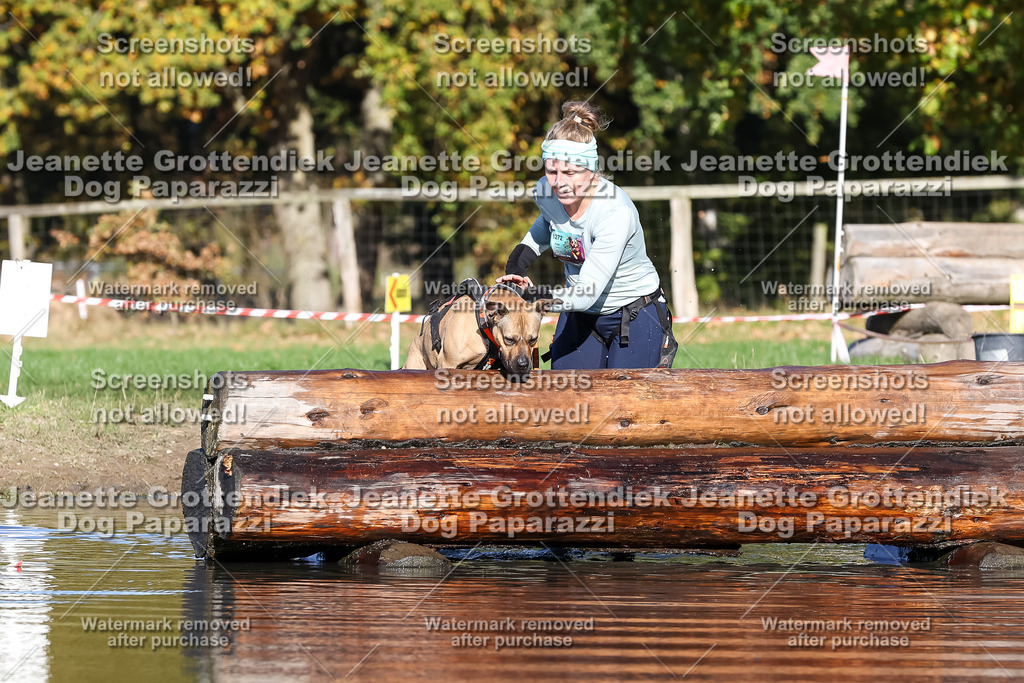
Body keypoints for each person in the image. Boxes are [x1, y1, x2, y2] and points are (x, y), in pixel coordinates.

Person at [497, 101, 677, 370]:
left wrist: (531, 295)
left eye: (570, 172)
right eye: (552, 170)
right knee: (569, 401)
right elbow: (546, 228)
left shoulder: (614, 211)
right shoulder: (546, 190)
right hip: (579, 315)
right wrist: (516, 267)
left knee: (624, 406)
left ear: (592, 172)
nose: (559, 182)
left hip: (633, 314)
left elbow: (586, 293)